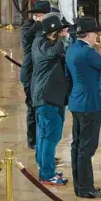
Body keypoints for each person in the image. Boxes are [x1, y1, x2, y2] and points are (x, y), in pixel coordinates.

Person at [66, 17, 101, 198]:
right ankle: (86, 188)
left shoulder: (71, 49)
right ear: (90, 34)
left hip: (76, 102)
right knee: (87, 148)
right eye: (97, 33)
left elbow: (68, 78)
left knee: (77, 146)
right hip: (90, 105)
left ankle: (80, 186)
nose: (98, 36)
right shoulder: (88, 52)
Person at [31, 15, 70, 185]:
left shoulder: (38, 42)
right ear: (55, 32)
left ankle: (44, 167)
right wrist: (65, 38)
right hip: (48, 98)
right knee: (50, 137)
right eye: (61, 30)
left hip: (43, 97)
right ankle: (47, 174)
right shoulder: (47, 49)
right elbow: (55, 52)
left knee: (43, 135)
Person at [21, 1, 54, 150]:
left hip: (45, 74)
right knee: (32, 107)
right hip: (30, 73)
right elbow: (26, 40)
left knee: (44, 108)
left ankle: (43, 140)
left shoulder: (50, 26)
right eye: (37, 14)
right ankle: (33, 141)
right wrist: (37, 24)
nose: (39, 16)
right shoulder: (29, 25)